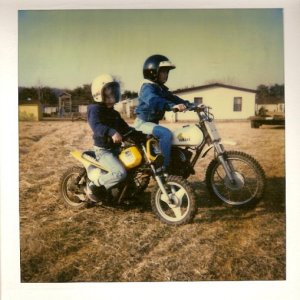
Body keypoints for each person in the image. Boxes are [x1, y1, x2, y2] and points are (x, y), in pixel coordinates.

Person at [134, 54, 190, 172]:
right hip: (142, 124)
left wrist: (190, 104)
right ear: (153, 72)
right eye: (163, 72)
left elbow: (173, 98)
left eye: (167, 72)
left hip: (153, 124)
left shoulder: (160, 88)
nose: (166, 75)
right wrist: (171, 106)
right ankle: (165, 167)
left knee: (175, 137)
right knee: (166, 134)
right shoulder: (147, 88)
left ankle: (177, 163)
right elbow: (154, 100)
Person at [86, 74, 134, 202]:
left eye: (115, 90)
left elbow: (126, 129)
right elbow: (96, 126)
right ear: (99, 92)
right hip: (104, 150)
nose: (113, 93)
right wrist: (112, 132)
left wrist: (142, 135)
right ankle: (94, 186)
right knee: (120, 173)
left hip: (116, 149)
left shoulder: (114, 113)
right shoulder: (95, 109)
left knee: (133, 168)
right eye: (109, 90)